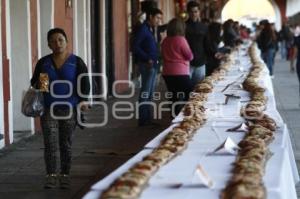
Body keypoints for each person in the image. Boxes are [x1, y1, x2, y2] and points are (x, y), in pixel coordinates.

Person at [30, 28, 90, 189]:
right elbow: (35, 83)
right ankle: (50, 175)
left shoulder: (76, 62)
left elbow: (84, 83)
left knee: (66, 143)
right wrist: (42, 82)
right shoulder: (44, 62)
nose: (57, 44)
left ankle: (65, 175)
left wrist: (83, 100)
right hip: (49, 108)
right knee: (50, 143)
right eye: (53, 41)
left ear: (67, 42)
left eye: (60, 40)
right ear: (49, 44)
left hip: (69, 109)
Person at [133, 8, 163, 126]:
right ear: (150, 16)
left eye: (160, 19)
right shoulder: (143, 29)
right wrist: (147, 58)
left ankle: (147, 119)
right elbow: (135, 46)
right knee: (145, 93)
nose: (159, 21)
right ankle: (143, 120)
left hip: (153, 64)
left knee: (150, 93)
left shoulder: (151, 29)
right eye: (157, 18)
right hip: (147, 65)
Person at [161, 18, 193, 116]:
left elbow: (162, 54)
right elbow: (190, 56)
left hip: (167, 72)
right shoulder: (181, 40)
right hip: (181, 72)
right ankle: (189, 115)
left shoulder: (165, 41)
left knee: (173, 95)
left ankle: (174, 116)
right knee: (189, 94)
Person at [185, 1, 208, 87]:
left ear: (199, 12)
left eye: (195, 11)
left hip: (201, 63)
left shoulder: (204, 27)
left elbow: (207, 44)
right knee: (186, 90)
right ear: (188, 12)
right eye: (191, 11)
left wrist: (215, 53)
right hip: (186, 63)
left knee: (199, 89)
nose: (193, 14)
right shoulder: (183, 26)